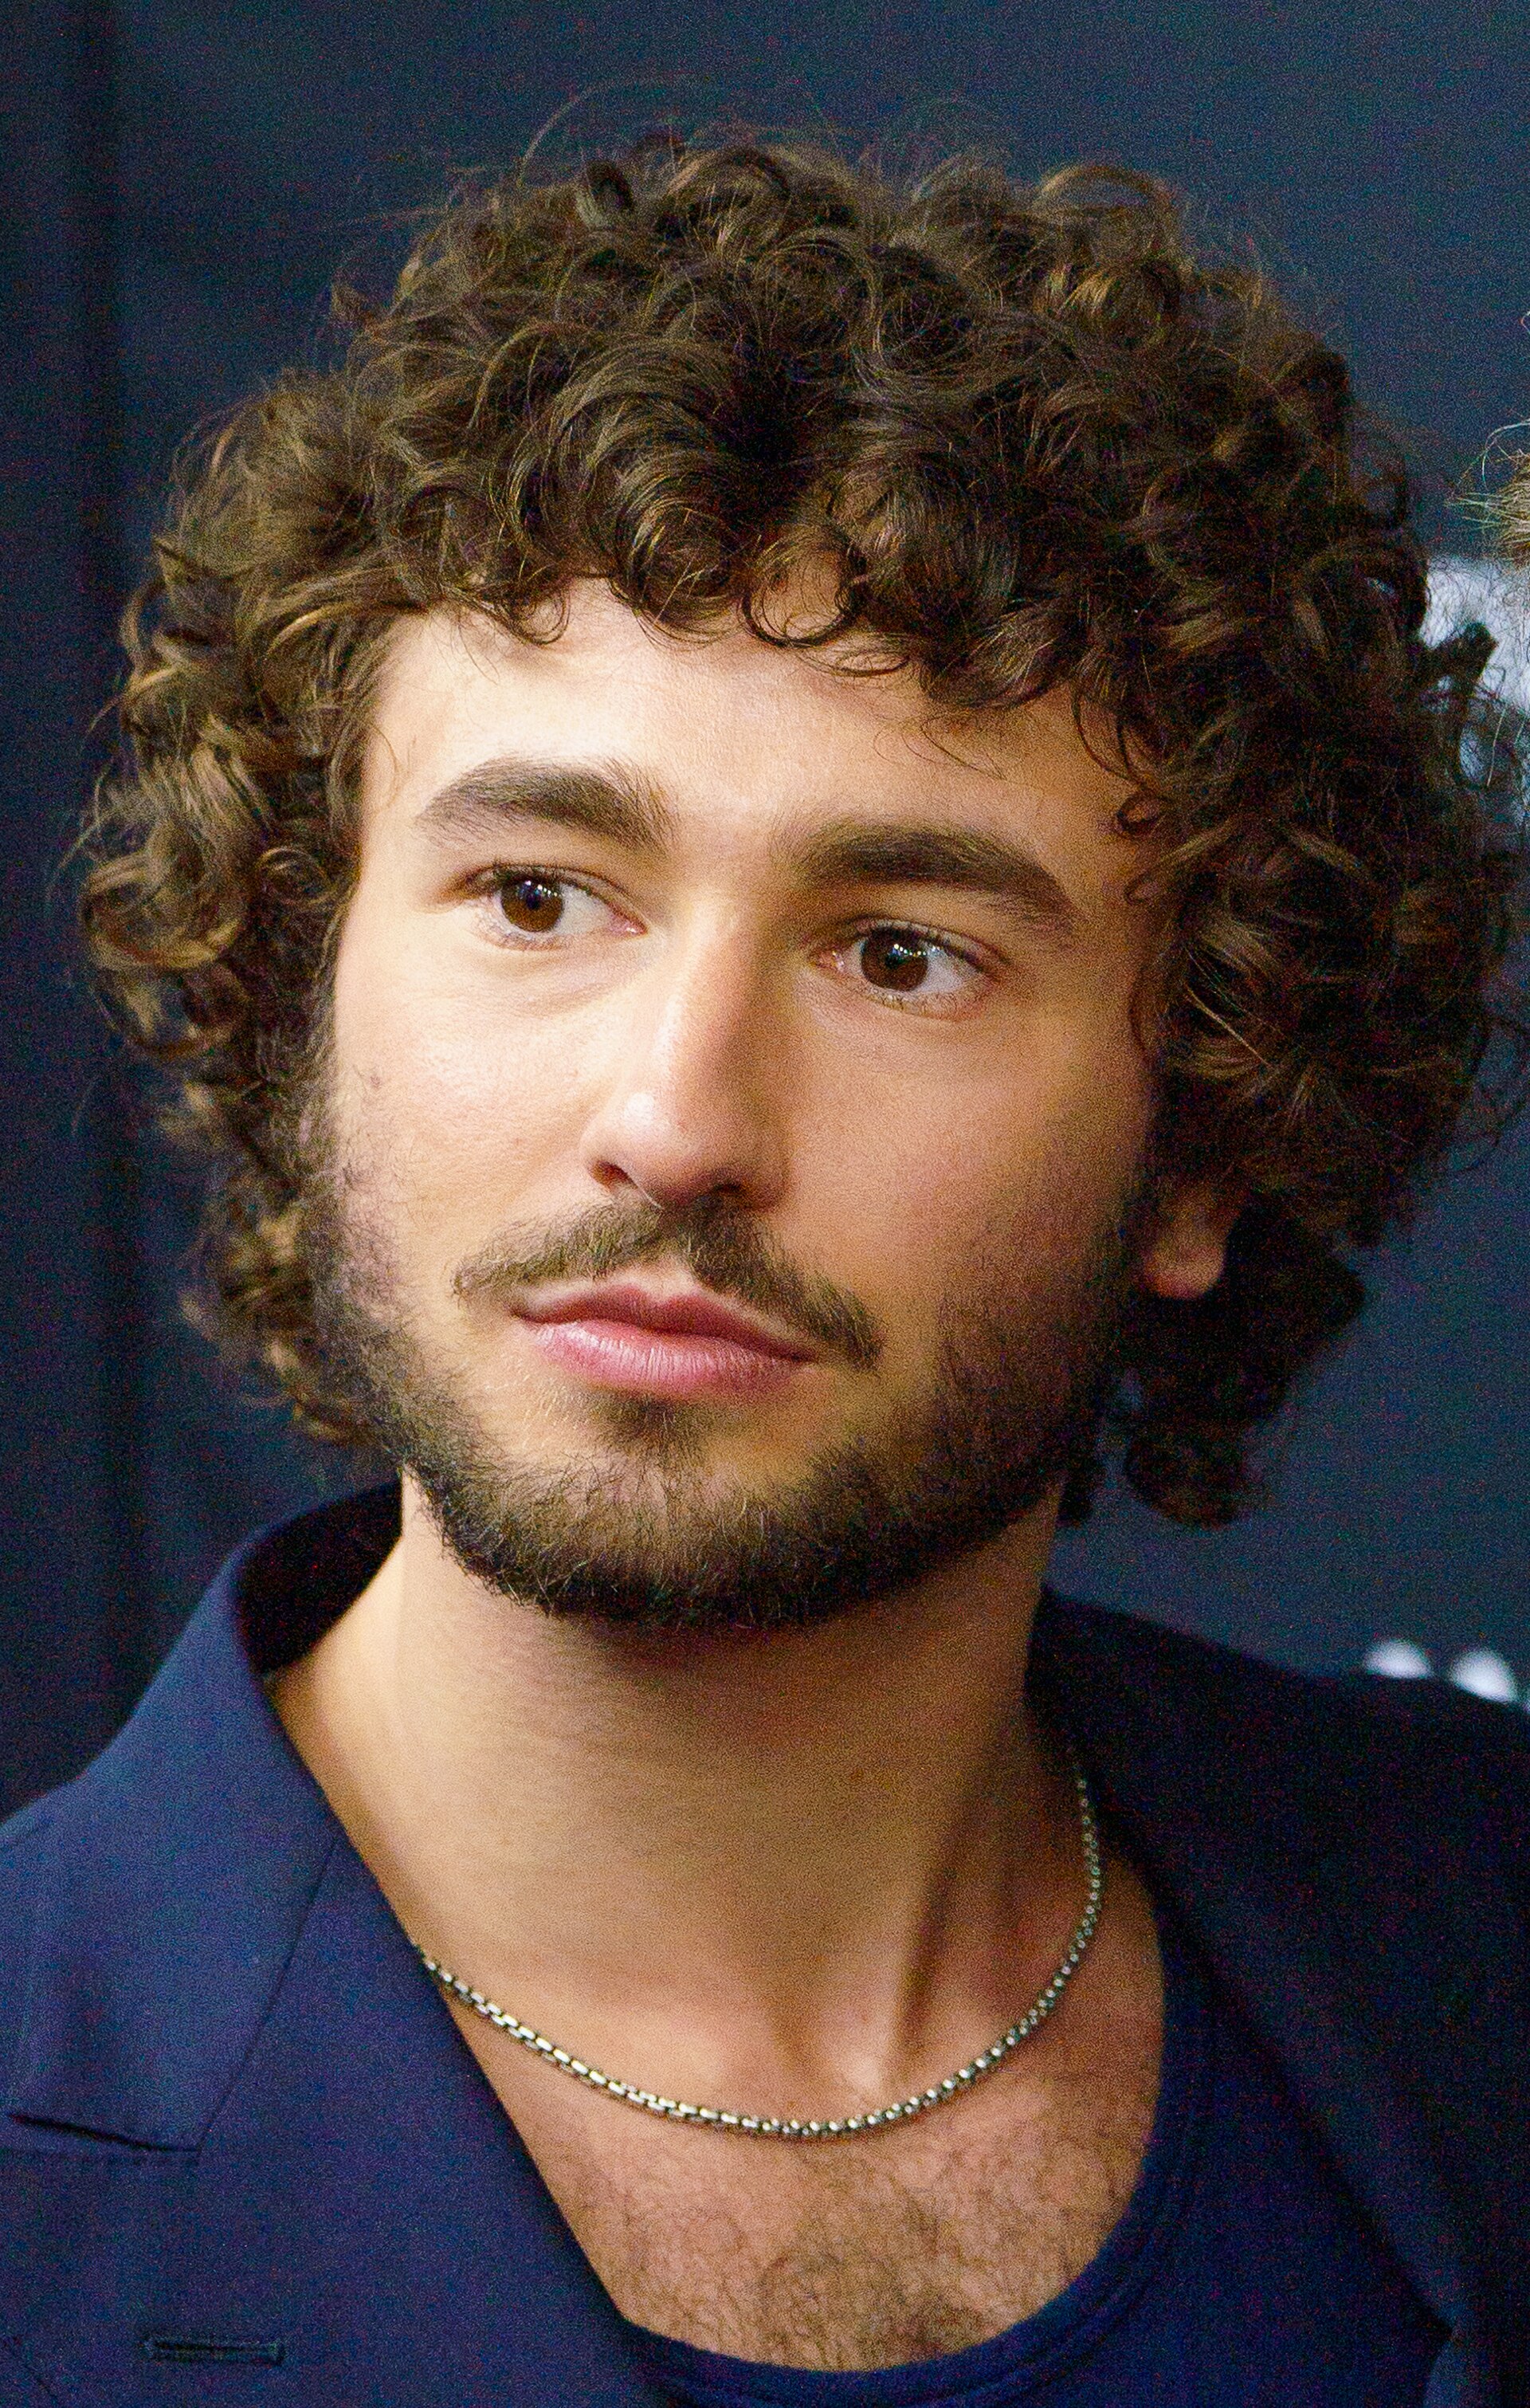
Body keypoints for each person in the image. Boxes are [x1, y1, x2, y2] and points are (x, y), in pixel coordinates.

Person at [0, 140, 1524, 2406]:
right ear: (307, 989)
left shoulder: (1482, 1948)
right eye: (537, 895)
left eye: (902, 955)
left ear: (1209, 1135)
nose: (682, 1116)